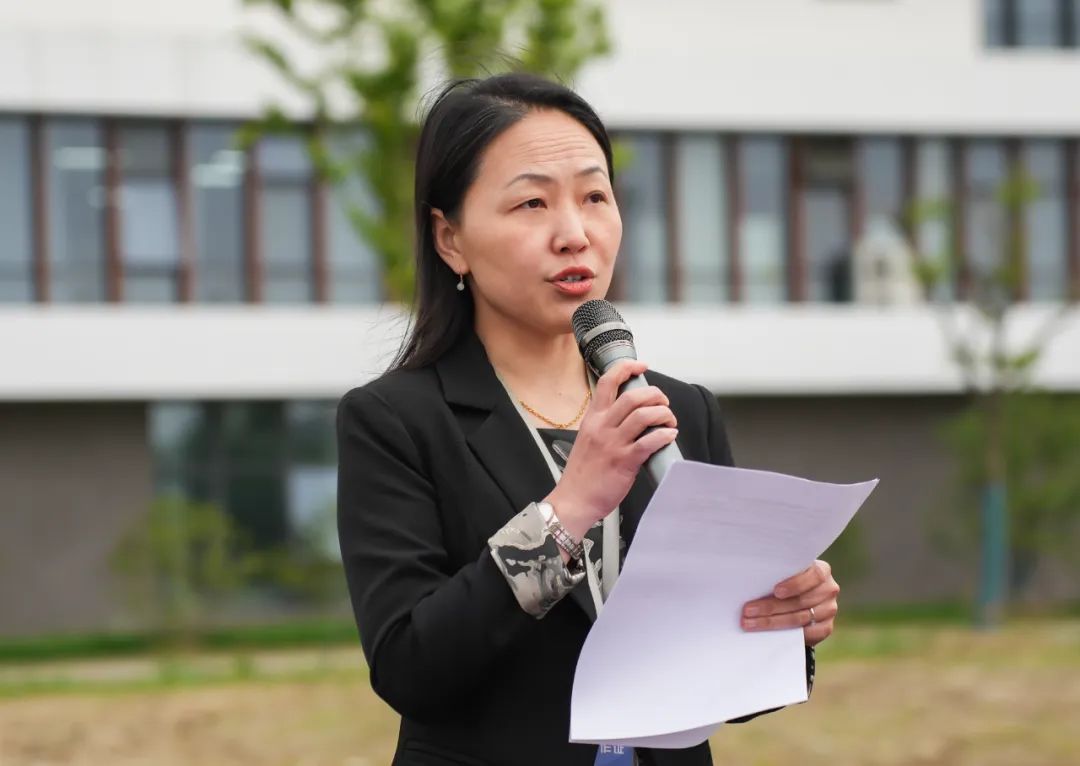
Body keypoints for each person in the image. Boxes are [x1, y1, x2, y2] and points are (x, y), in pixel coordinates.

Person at [336, 73, 841, 766]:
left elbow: (719, 684)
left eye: (595, 197)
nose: (574, 234)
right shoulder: (394, 421)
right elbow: (410, 666)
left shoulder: (679, 410)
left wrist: (784, 623)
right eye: (533, 203)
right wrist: (568, 509)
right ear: (450, 239)